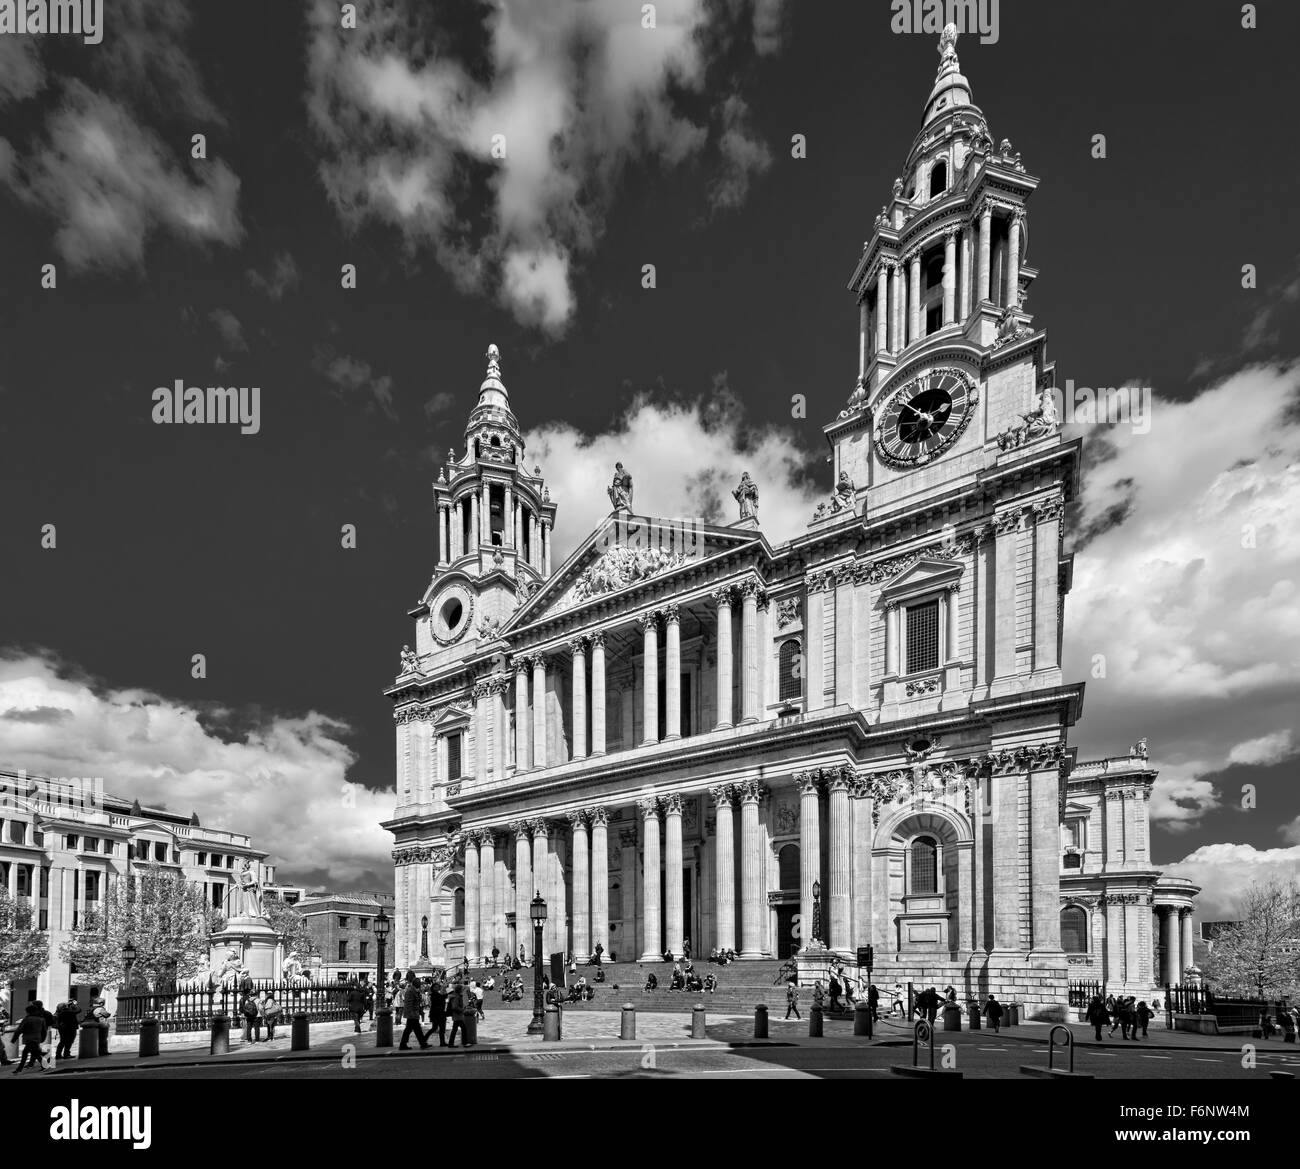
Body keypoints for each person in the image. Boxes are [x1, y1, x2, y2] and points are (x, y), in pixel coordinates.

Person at [11, 1004, 48, 1074]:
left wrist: (14, 1039)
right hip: (37, 1038)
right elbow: (44, 1031)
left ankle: (19, 1069)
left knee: (33, 1053)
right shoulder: (41, 1019)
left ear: (28, 1012)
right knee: (31, 1053)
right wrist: (42, 1039)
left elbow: (19, 1030)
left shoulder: (27, 1019)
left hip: (29, 1039)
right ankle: (19, 1069)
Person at [398, 974, 428, 1049]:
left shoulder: (414, 990)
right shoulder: (410, 991)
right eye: (419, 983)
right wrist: (411, 1013)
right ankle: (422, 1043)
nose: (420, 984)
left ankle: (421, 1043)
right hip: (412, 1013)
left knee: (412, 1029)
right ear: (415, 983)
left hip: (413, 1013)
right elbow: (409, 1003)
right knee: (414, 1029)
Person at [447, 981, 471, 1048]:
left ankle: (451, 1044)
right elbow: (455, 1007)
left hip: (457, 1016)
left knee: (455, 1029)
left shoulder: (456, 995)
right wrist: (462, 1009)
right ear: (459, 990)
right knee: (463, 1029)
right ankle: (464, 1043)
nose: (462, 990)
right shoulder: (456, 996)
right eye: (461, 989)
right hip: (458, 1015)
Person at [427, 980, 448, 1046]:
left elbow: (443, 996)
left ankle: (442, 1042)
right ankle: (424, 1039)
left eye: (438, 987)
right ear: (433, 988)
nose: (437, 988)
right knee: (436, 1028)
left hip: (439, 1013)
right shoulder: (434, 995)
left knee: (440, 1028)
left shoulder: (437, 994)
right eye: (435, 987)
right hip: (437, 1014)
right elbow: (442, 998)